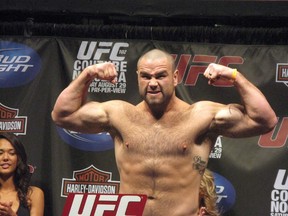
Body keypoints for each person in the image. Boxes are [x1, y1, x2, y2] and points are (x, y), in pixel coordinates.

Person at [51, 49, 277, 216]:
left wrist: (234, 76)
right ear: (137, 77)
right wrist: (88, 74)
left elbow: (265, 120)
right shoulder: (119, 114)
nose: (152, 83)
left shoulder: (201, 116)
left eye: (160, 76)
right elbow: (62, 115)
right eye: (146, 76)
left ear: (176, 77)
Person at [0, 132, 44, 216]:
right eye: (0, 153)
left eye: (12, 153)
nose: (5, 158)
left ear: (18, 159)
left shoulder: (34, 194)